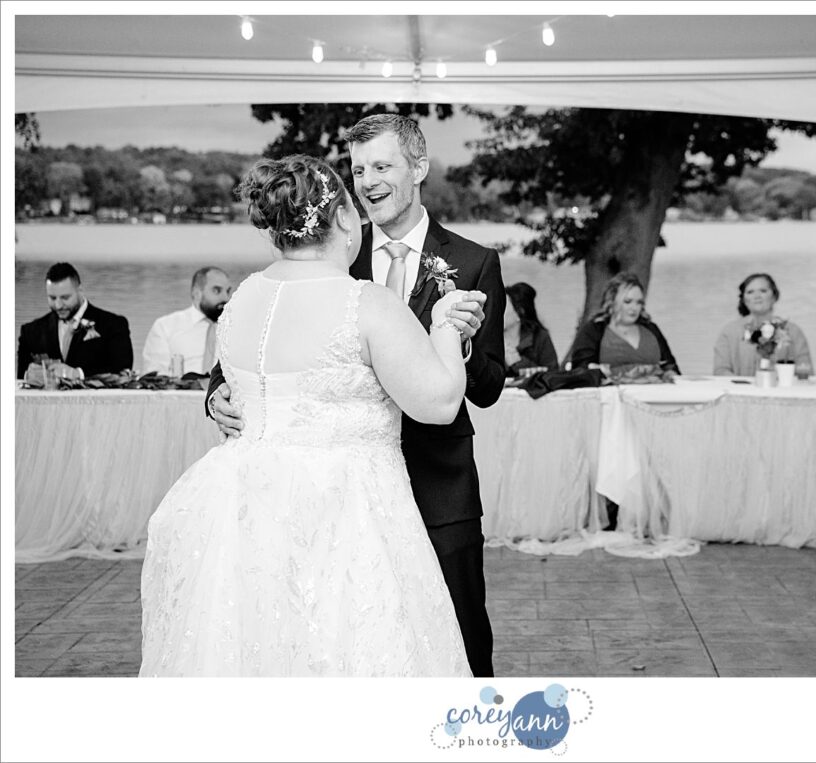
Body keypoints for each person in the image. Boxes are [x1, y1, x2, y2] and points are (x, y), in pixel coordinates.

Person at [141, 155, 484, 676]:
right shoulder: (364, 302)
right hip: (349, 516)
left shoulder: (241, 300)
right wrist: (444, 325)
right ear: (345, 218)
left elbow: (243, 382)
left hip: (244, 512)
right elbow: (436, 404)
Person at [17, 262, 133, 379]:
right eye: (52, 298)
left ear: (80, 291)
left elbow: (122, 370)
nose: (58, 305)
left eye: (65, 298)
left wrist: (78, 373)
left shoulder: (113, 325)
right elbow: (20, 381)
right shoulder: (30, 332)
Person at [566, 272, 679, 374]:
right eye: (627, 302)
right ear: (612, 301)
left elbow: (671, 366)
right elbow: (581, 370)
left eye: (639, 302)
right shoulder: (594, 330)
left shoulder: (651, 329)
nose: (634, 308)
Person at [712, 272, 812, 376]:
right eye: (750, 292)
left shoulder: (793, 331)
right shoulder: (730, 331)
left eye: (763, 291)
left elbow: (805, 370)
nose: (757, 296)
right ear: (744, 300)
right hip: (740, 391)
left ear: (774, 296)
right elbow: (720, 371)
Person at [141, 267, 234, 375]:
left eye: (228, 291)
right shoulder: (165, 326)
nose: (225, 298)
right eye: (217, 290)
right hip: (180, 390)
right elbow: (154, 373)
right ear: (197, 293)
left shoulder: (237, 330)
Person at [504, 282, 558, 375]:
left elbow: (553, 376)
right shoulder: (487, 338)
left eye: (503, 307)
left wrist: (517, 362)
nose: (495, 311)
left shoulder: (539, 337)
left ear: (520, 312)